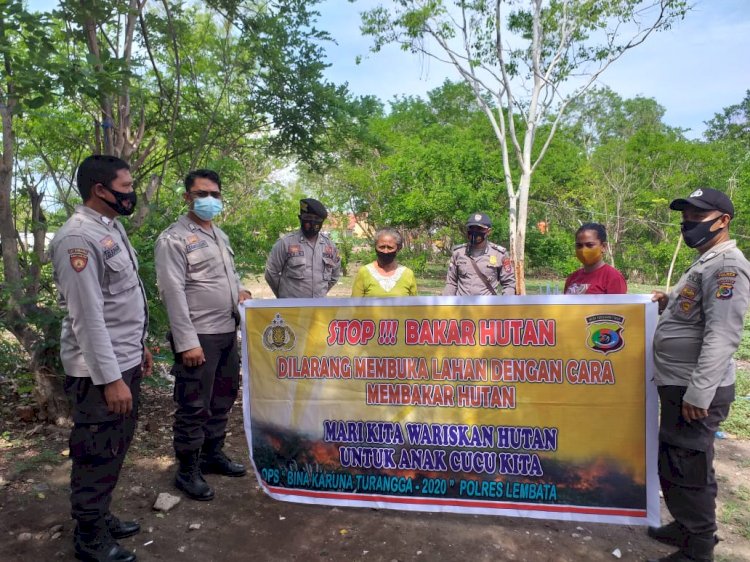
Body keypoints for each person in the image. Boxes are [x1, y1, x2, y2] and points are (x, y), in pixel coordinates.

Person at [50, 154, 152, 562]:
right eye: (126, 188)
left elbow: (121, 299)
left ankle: (100, 514)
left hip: (122, 358)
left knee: (114, 447)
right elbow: (87, 317)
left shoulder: (109, 227)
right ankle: (89, 537)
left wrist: (139, 345)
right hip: (97, 373)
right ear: (100, 190)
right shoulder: (78, 238)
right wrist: (110, 379)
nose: (132, 194)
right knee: (95, 451)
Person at [648, 188, 750, 562]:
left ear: (723, 221)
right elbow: (690, 316)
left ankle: (699, 546)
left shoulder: (727, 267)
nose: (688, 224)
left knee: (687, 464)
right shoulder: (704, 262)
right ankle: (685, 525)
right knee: (676, 460)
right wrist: (666, 302)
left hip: (694, 390)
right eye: (686, 216)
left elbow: (723, 335)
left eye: (697, 217)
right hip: (678, 383)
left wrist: (699, 392)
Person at [154, 169, 252, 502]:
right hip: (199, 336)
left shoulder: (220, 236)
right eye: (201, 194)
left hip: (227, 331)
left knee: (222, 398)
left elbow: (227, 278)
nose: (208, 200)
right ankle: (187, 469)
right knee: (193, 404)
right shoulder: (173, 238)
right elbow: (172, 291)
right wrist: (187, 342)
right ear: (187, 197)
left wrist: (240, 293)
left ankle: (213, 455)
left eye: (214, 194)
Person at [264, 197, 341, 298]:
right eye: (308, 217)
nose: (312, 222)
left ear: (322, 221)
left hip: (318, 308)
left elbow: (334, 276)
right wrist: (283, 296)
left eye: (317, 219)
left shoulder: (330, 246)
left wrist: (319, 294)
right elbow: (271, 273)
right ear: (300, 218)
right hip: (292, 308)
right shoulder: (285, 243)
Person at [443, 212, 515, 296]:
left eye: (479, 229)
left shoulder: (499, 254)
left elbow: (509, 284)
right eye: (471, 228)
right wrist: (447, 306)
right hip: (463, 306)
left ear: (488, 231)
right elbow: (451, 283)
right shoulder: (459, 253)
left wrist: (504, 305)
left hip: (487, 307)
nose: (474, 231)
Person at [564, 223, 627, 294]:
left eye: (589, 245)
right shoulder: (572, 277)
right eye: (579, 245)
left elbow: (618, 304)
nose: (583, 250)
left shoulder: (613, 278)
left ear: (603, 247)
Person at [351, 229, 418, 297]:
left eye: (390, 247)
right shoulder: (364, 272)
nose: (385, 251)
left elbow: (415, 305)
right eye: (382, 247)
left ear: (398, 248)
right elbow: (354, 304)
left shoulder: (408, 274)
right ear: (375, 247)